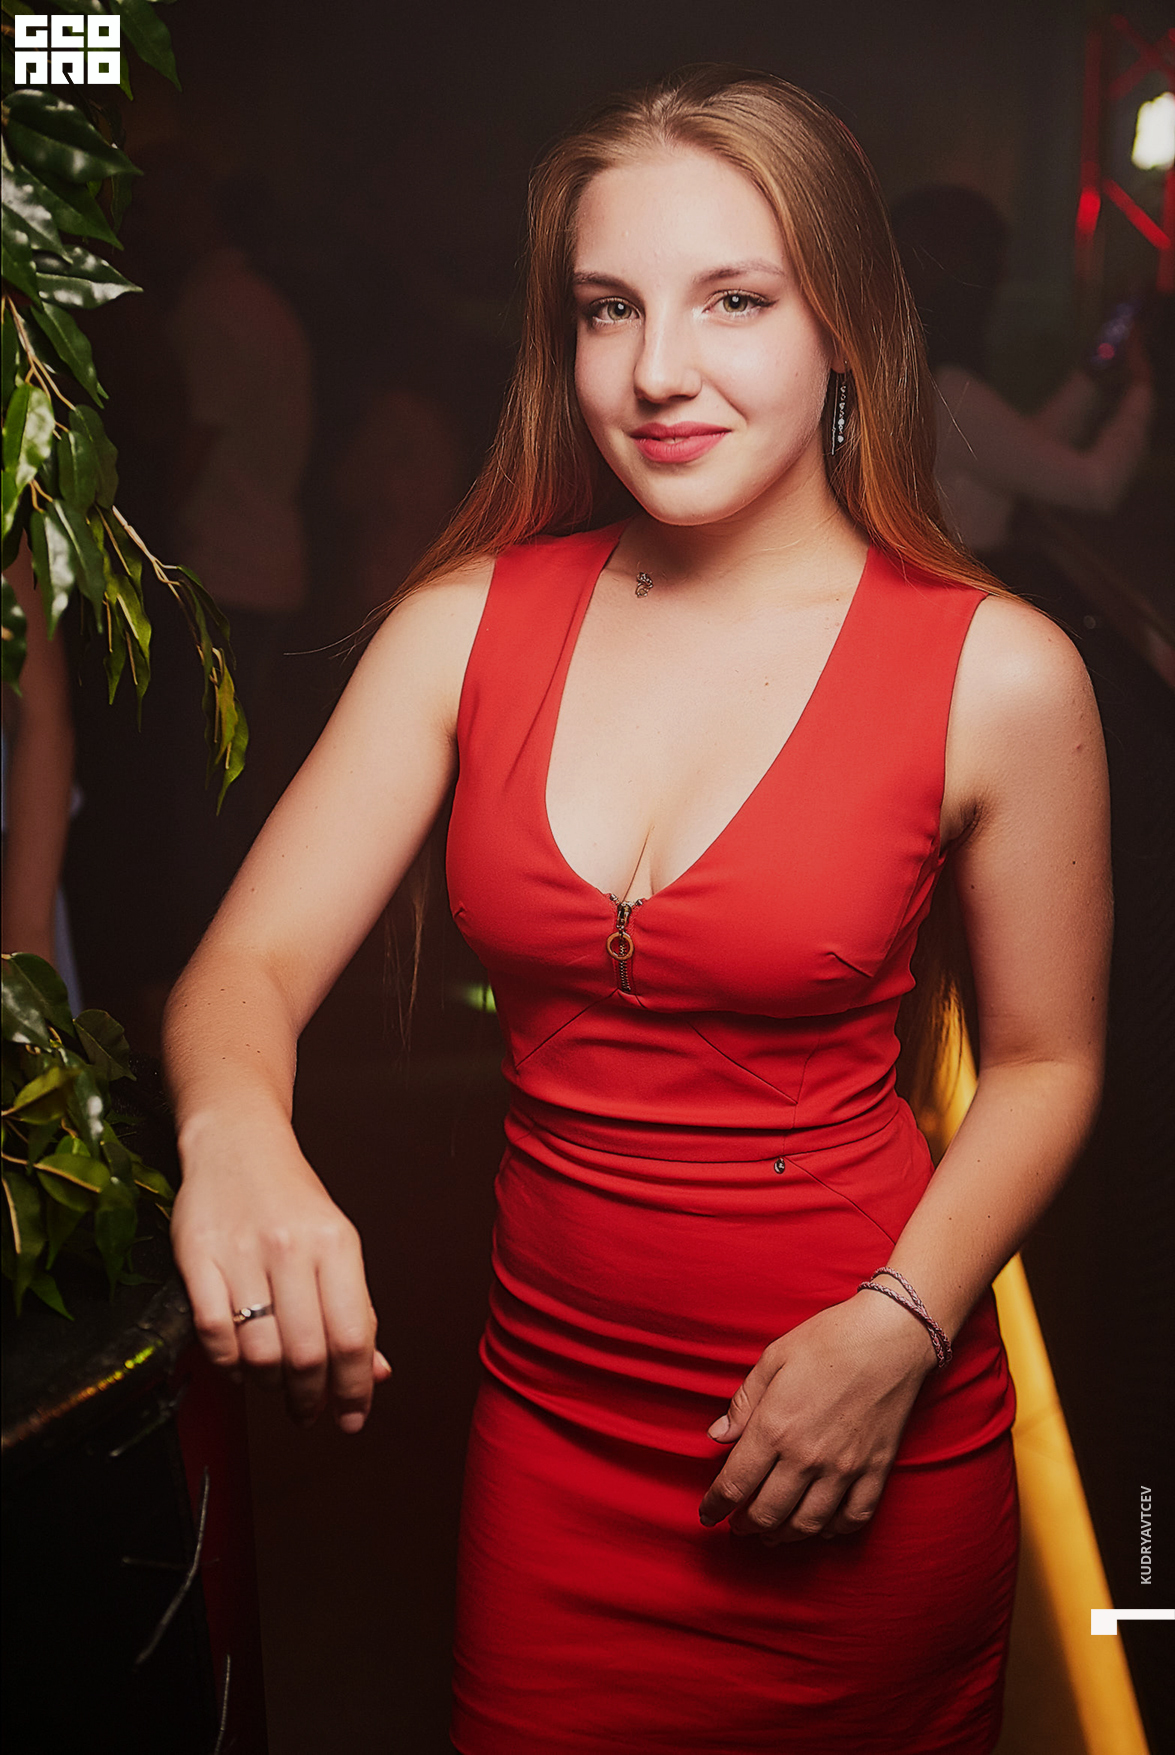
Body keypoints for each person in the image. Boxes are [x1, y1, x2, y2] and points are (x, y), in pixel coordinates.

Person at [163, 71, 1112, 1753]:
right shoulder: (465, 624)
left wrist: (901, 1325)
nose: (657, 368)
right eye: (608, 309)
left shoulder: (998, 671)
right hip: (552, 1450)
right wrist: (237, 1129)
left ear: (845, 327)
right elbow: (247, 960)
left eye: (732, 300)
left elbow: (1046, 1064)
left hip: (858, 1427)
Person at [890, 185, 1154, 557]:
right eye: (995, 261)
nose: (1005, 276)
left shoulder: (923, 382)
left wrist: (1090, 375)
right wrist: (1143, 389)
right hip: (961, 578)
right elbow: (1095, 485)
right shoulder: (951, 393)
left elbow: (1020, 450)